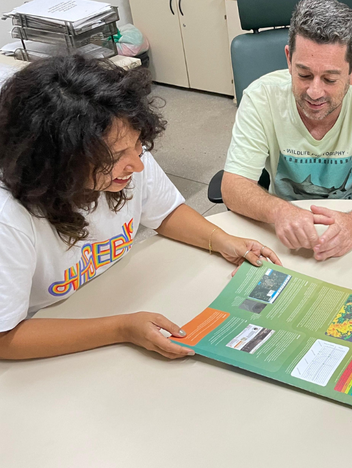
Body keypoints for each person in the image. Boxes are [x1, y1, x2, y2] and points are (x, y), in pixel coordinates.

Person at [0, 55, 281, 360]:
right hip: (45, 338)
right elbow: (5, 338)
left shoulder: (127, 157)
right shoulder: (9, 219)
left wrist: (222, 240)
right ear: (58, 162)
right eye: (114, 157)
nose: (136, 164)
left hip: (111, 296)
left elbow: (165, 212)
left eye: (137, 145)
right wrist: (120, 329)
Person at [221, 0, 352, 262]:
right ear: (289, 59)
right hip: (281, 236)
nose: (314, 92)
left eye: (330, 79)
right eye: (304, 75)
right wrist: (279, 211)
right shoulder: (260, 98)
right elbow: (232, 186)